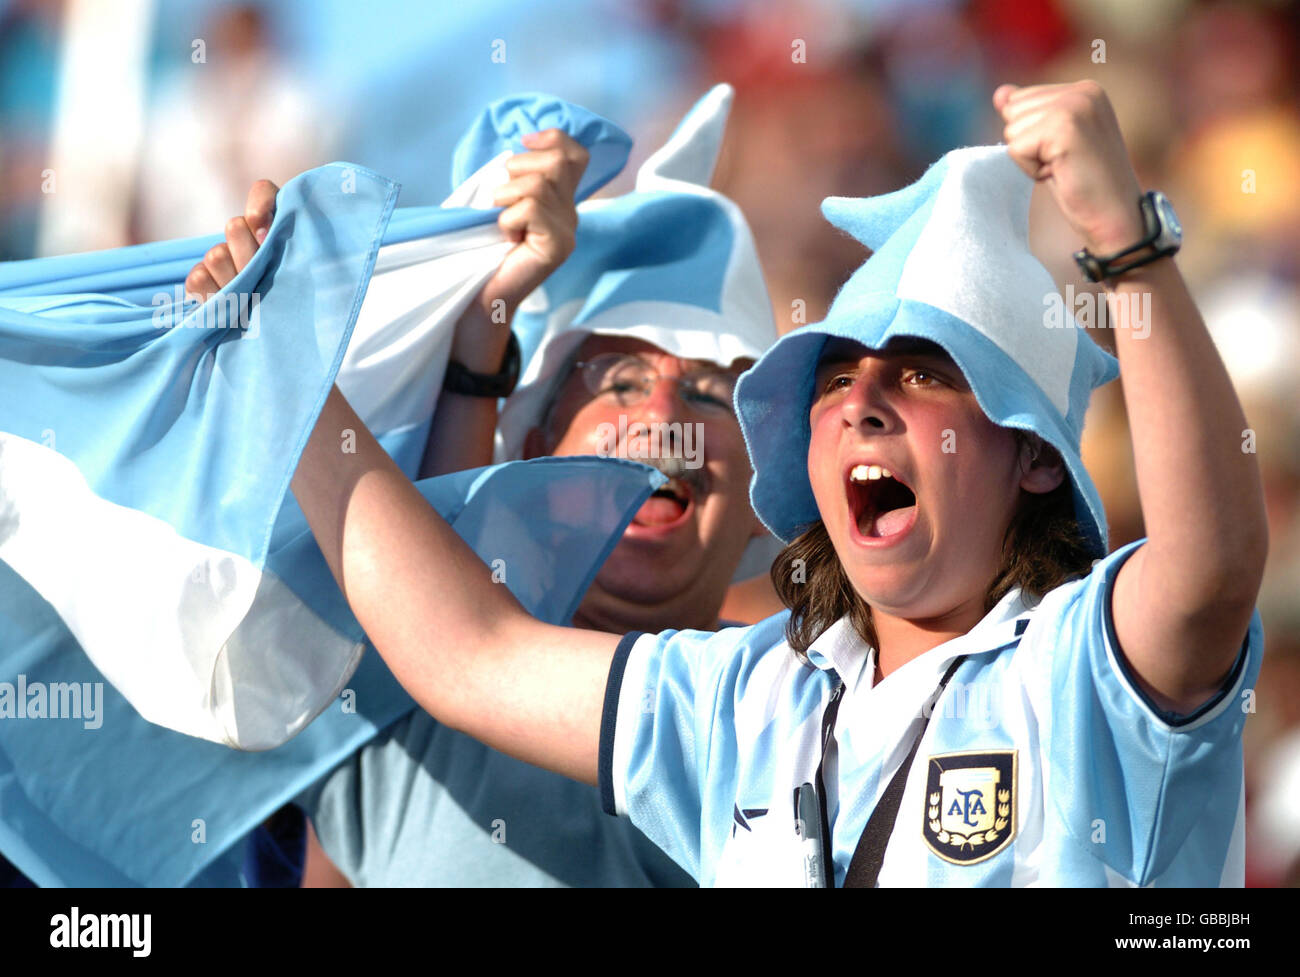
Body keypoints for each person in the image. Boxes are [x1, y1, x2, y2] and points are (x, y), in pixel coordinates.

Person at [202, 80, 1267, 886]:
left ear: (1032, 452)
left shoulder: (1084, 663)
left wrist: (1128, 250)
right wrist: (289, 363)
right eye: (836, 375)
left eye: (923, 375)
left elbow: (1209, 565)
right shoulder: (747, 700)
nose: (862, 402)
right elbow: (464, 645)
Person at [190, 86, 781, 886]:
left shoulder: (807, 704)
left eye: (711, 396)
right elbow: (421, 562)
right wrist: (274, 342)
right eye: (615, 380)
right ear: (534, 448)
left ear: (761, 499)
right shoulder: (368, 658)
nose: (664, 412)